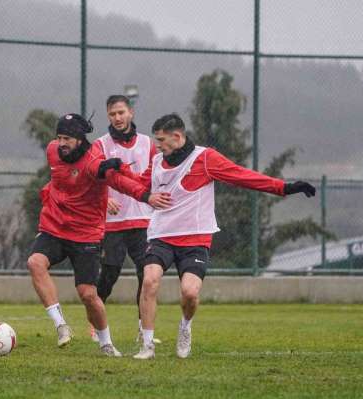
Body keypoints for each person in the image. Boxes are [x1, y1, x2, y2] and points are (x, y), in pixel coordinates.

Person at [133, 113, 316, 360]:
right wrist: (115, 174)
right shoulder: (156, 162)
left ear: (177, 136)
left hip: (195, 239)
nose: (158, 146)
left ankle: (185, 327)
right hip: (161, 236)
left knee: (189, 293)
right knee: (149, 281)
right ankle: (147, 346)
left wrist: (284, 188)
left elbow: (242, 176)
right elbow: (136, 185)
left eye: (162, 141)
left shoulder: (205, 158)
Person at [27, 112, 170, 357]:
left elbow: (121, 183)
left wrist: (147, 197)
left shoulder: (94, 163)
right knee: (34, 262)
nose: (61, 143)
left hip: (85, 234)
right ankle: (61, 325)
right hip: (55, 227)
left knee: (88, 294)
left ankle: (106, 342)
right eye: (59, 137)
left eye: (67, 139)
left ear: (81, 140)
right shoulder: (52, 151)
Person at [90, 95, 159, 344]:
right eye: (112, 114)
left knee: (146, 274)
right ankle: (95, 323)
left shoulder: (148, 144)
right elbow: (93, 176)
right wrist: (103, 199)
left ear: (130, 112)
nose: (117, 118)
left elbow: (156, 176)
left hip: (142, 221)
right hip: (113, 223)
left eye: (121, 112)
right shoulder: (100, 145)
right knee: (109, 273)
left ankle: (144, 327)